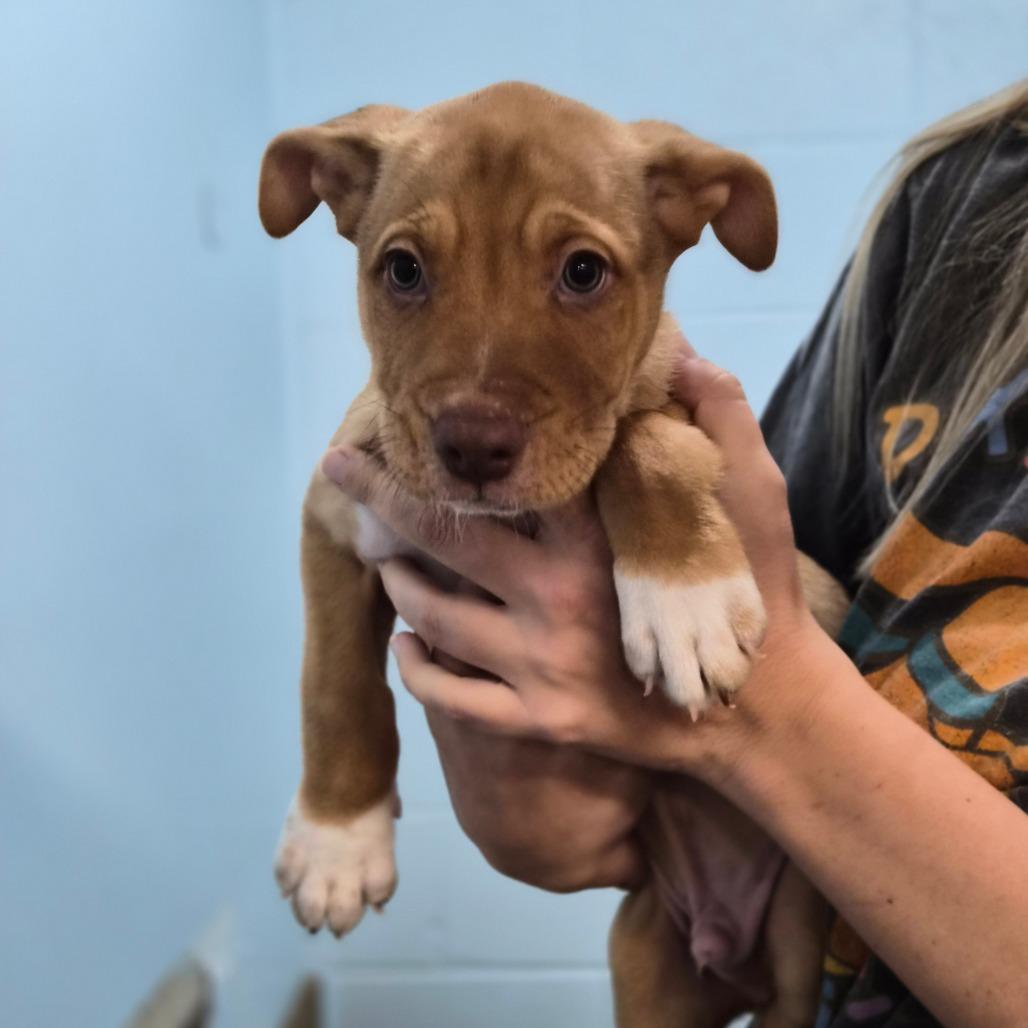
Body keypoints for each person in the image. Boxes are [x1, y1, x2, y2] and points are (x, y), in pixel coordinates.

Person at [323, 81, 1028, 1027]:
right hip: (705, 869)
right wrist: (382, 786)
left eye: (581, 272)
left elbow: (761, 622)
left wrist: (741, 700)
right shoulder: (957, 191)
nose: (479, 403)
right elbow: (778, 559)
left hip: (816, 896)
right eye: (407, 271)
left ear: (689, 206)